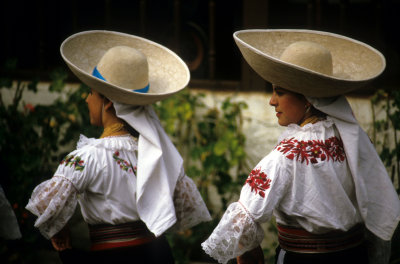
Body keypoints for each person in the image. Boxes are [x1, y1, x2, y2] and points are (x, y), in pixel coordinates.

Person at [201, 29, 400, 264]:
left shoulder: (286, 156)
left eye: (280, 92)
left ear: (308, 99)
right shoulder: (353, 139)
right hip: (354, 256)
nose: (272, 101)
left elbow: (240, 222)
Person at [26, 30, 211, 263]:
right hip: (159, 256)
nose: (86, 99)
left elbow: (44, 205)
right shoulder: (157, 154)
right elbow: (178, 206)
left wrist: (61, 235)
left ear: (108, 102)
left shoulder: (87, 158)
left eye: (91, 92)